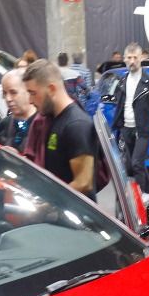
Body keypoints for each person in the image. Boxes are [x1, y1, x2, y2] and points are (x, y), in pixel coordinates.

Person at [22, 60, 94, 196]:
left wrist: (50, 204)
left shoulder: (77, 124)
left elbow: (83, 182)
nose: (30, 101)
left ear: (51, 89)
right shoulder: (51, 119)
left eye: (33, 93)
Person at [111, 43, 149, 193]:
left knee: (136, 164)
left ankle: (142, 197)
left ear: (141, 58)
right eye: (129, 57)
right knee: (137, 164)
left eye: (135, 57)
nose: (132, 61)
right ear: (124, 59)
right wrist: (118, 127)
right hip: (126, 129)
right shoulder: (122, 81)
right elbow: (119, 105)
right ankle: (148, 193)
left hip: (143, 130)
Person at [0, 69, 38, 149]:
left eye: (13, 92)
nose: (8, 99)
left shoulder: (44, 124)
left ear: (28, 91)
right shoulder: (5, 124)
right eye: (5, 93)